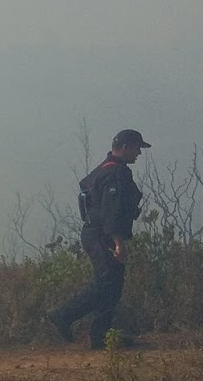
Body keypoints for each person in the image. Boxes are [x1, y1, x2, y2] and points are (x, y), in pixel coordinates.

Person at [48, 129, 151, 350]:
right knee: (106, 282)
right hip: (101, 235)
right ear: (124, 147)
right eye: (136, 148)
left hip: (97, 233)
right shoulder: (114, 173)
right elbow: (112, 212)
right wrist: (118, 243)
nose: (138, 154)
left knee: (113, 284)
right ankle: (64, 315)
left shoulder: (107, 169)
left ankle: (101, 337)